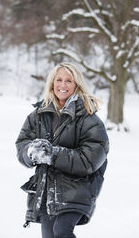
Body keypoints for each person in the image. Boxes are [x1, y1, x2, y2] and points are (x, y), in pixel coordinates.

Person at [16, 62, 109, 238]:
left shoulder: (89, 119)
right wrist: (31, 151)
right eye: (59, 80)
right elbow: (22, 144)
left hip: (76, 189)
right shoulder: (39, 114)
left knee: (62, 232)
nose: (63, 85)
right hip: (46, 191)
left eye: (69, 81)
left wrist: (53, 154)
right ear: (52, 83)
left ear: (77, 85)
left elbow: (89, 160)